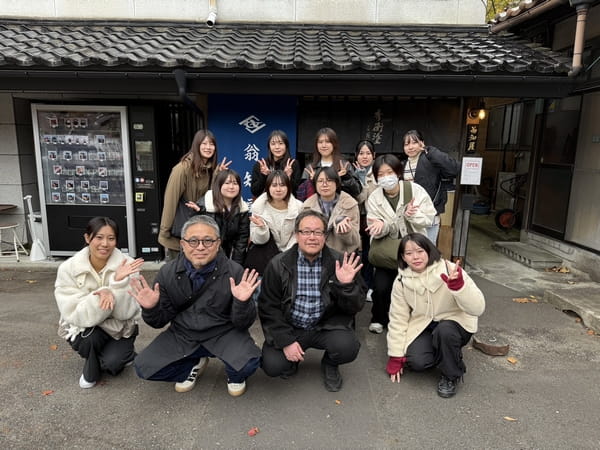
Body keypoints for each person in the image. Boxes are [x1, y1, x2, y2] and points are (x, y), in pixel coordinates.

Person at [130, 215, 262, 397]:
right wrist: (151, 308)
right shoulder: (167, 273)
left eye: (208, 241)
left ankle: (234, 375)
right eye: (193, 241)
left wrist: (242, 302)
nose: (200, 247)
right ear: (182, 244)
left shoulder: (234, 271)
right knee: (143, 367)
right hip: (184, 334)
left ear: (218, 243)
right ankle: (192, 364)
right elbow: (159, 322)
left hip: (223, 333)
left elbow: (243, 323)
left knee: (251, 362)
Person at [258, 210, 365, 392]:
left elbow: (356, 306)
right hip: (291, 326)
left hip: (326, 326)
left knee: (348, 347)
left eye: (318, 232)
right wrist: (286, 341)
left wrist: (345, 286)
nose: (312, 237)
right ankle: (292, 359)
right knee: (273, 365)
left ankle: (330, 363)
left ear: (325, 236)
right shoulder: (278, 264)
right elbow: (268, 307)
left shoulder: (341, 262)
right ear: (296, 235)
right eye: (306, 232)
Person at [386, 233, 485, 398]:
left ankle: (451, 375)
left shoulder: (450, 270)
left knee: (445, 331)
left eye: (420, 251)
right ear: (403, 257)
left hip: (456, 324)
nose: (415, 257)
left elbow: (478, 308)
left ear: (429, 250)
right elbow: (398, 318)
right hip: (425, 324)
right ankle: (447, 353)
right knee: (416, 362)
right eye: (409, 253)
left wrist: (459, 287)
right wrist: (395, 355)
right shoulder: (401, 281)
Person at [54, 217, 144, 389]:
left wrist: (117, 284)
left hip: (119, 329)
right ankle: (92, 371)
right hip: (86, 329)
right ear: (88, 238)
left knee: (113, 364)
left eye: (111, 238)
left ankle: (116, 356)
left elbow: (126, 313)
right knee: (90, 339)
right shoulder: (69, 268)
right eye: (99, 237)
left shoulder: (128, 265)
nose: (105, 244)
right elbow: (74, 313)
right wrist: (101, 295)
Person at [365, 154, 436, 334]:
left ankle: (412, 321)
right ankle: (379, 318)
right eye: (381, 174)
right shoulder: (374, 198)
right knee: (381, 287)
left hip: (412, 251)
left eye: (389, 172)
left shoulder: (415, 190)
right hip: (386, 251)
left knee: (413, 287)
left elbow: (429, 218)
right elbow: (374, 226)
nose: (386, 178)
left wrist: (412, 215)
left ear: (398, 172)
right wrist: (381, 226)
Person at [158, 130, 230, 258]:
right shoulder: (182, 169)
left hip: (200, 231)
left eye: (211, 144)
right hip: (182, 234)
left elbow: (208, 198)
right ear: (197, 145)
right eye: (204, 143)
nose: (208, 147)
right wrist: (165, 231)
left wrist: (217, 175)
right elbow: (170, 201)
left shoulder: (209, 169)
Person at [402, 130, 460, 244]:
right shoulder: (403, 165)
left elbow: (454, 169)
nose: (410, 147)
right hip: (410, 217)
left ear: (422, 143)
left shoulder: (431, 160)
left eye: (414, 142)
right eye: (406, 144)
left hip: (429, 215)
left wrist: (429, 150)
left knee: (427, 249)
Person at [186, 169, 249, 265]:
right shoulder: (204, 206)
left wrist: (237, 266)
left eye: (235, 183)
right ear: (218, 185)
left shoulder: (242, 209)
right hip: (204, 256)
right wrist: (198, 213)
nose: (231, 187)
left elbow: (241, 241)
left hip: (227, 257)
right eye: (227, 183)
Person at [302, 166, 360, 254]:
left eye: (329, 180)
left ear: (337, 183)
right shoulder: (307, 206)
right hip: (315, 255)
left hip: (342, 255)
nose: (324, 184)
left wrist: (346, 232)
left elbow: (354, 242)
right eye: (320, 181)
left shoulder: (350, 204)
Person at [298, 127, 361, 200]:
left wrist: (345, 177)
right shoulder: (310, 168)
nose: (324, 145)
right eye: (320, 142)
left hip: (340, 205)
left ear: (334, 144)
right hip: (316, 205)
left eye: (327, 142)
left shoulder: (344, 166)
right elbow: (300, 194)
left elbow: (357, 192)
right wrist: (312, 182)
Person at [250, 170, 303, 252]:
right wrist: (262, 229)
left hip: (292, 252)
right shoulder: (258, 207)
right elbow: (257, 241)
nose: (278, 189)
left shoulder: (299, 207)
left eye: (282, 185)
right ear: (268, 188)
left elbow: (299, 234)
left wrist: (286, 254)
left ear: (288, 187)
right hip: (267, 253)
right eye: (274, 185)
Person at [353, 140, 377, 301]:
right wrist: (359, 179)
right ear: (356, 155)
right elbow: (357, 199)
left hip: (372, 218)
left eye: (368, 153)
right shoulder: (351, 173)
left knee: (369, 253)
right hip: (356, 218)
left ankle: (369, 285)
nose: (365, 156)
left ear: (374, 155)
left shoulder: (379, 172)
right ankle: (356, 285)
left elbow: (371, 197)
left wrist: (364, 183)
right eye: (361, 153)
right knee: (355, 253)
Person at [250, 130, 302, 198]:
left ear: (286, 145)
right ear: (269, 146)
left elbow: (298, 191)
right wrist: (264, 176)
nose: (277, 147)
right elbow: (255, 191)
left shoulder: (293, 164)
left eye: (281, 143)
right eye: (273, 144)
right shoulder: (261, 165)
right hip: (266, 202)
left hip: (287, 202)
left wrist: (288, 177)